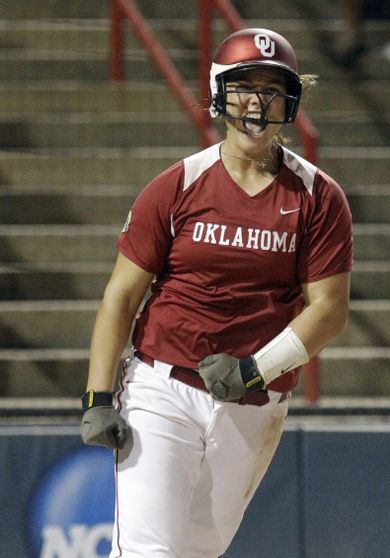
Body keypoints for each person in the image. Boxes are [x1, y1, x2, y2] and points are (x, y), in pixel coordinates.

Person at [81, 28, 353, 558]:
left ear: (290, 101)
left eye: (272, 89)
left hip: (255, 401)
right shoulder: (177, 184)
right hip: (163, 387)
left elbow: (330, 310)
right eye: (244, 85)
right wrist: (96, 395)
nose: (257, 101)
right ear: (219, 93)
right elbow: (121, 296)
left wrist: (256, 369)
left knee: (195, 552)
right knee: (148, 552)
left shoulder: (319, 198)